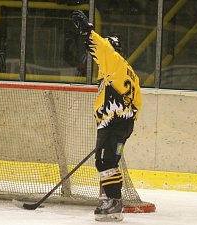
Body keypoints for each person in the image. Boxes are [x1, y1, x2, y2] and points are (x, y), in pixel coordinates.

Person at [72, 10, 142, 222]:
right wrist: (124, 123)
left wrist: (87, 33)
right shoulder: (127, 72)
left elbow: (102, 49)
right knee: (109, 160)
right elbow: (138, 102)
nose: (95, 58)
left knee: (104, 161)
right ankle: (113, 201)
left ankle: (112, 201)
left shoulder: (113, 63)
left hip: (114, 124)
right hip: (121, 124)